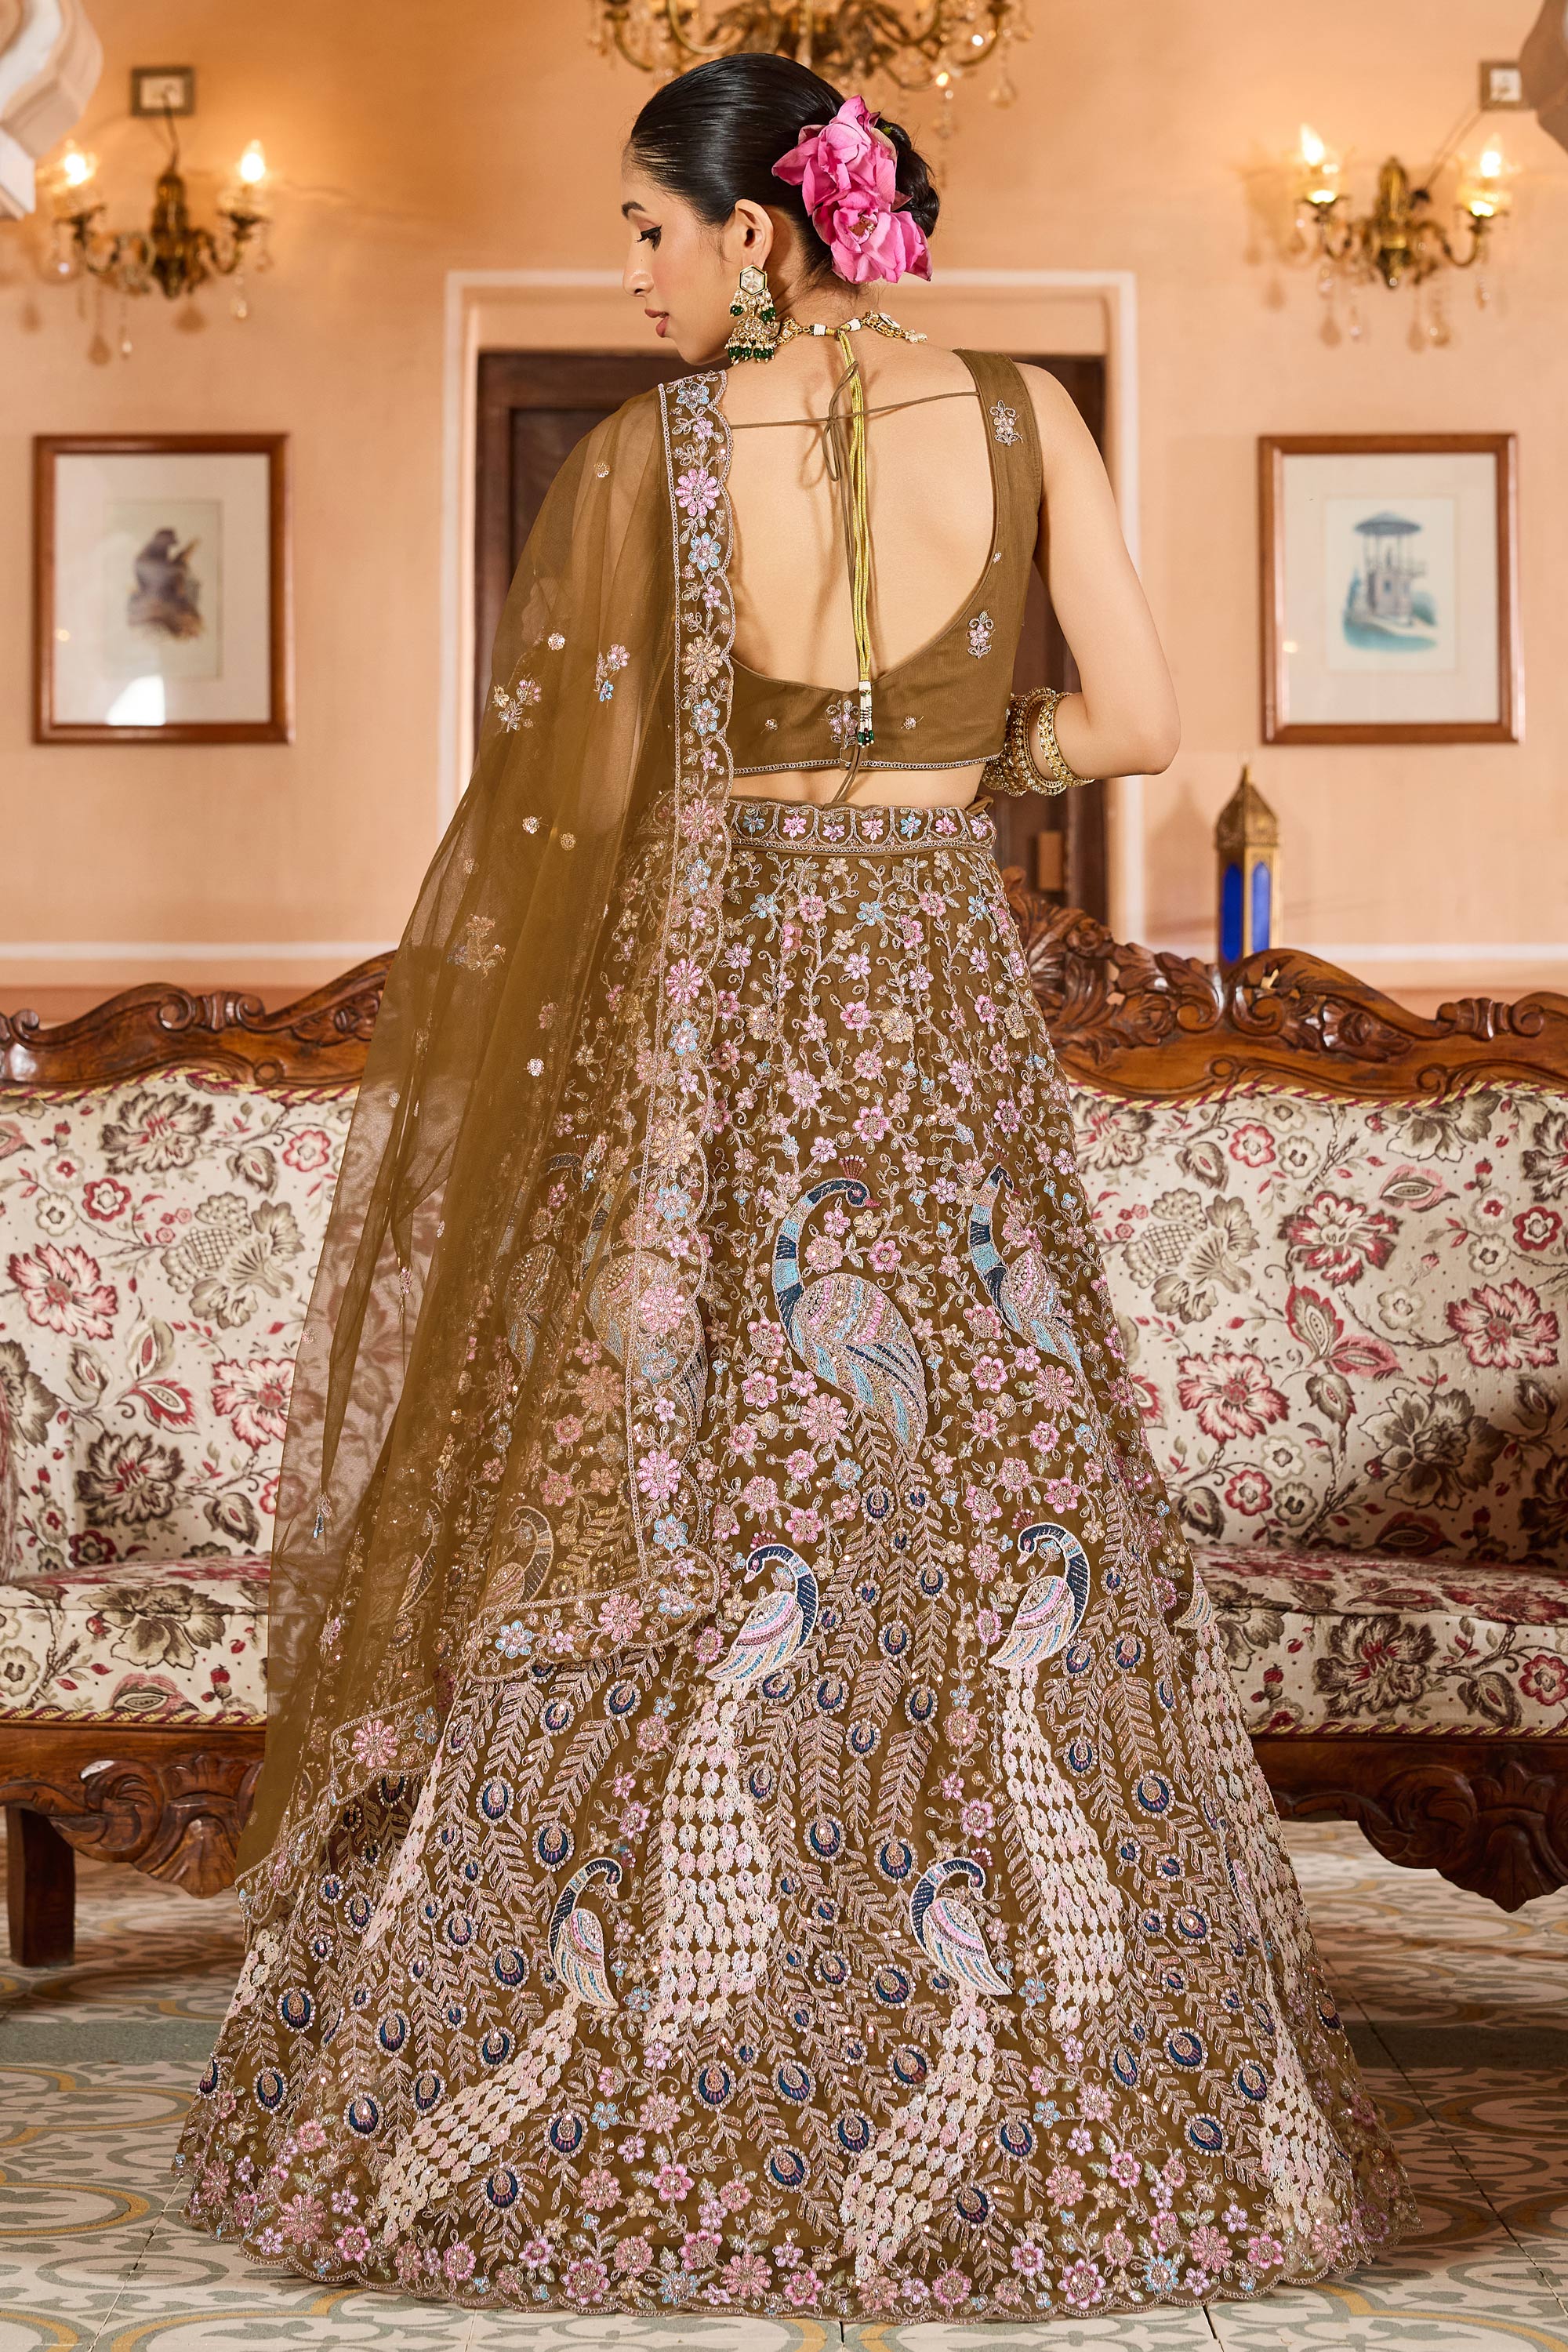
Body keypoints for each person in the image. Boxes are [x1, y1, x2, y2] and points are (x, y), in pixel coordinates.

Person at [175, 53, 1415, 2324]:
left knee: (672, 1470)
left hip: (724, 1006)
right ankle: (1097, 2097)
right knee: (990, 1473)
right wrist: (962, 757)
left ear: (756, 231)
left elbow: (587, 812)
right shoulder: (1029, 415)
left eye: (648, 230)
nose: (629, 276)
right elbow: (1141, 731)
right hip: (933, 989)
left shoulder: (661, 460)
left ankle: (620, 2078)